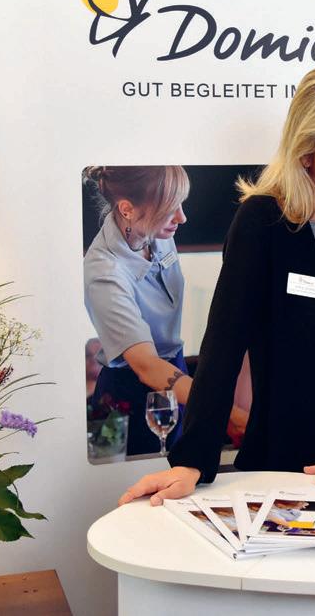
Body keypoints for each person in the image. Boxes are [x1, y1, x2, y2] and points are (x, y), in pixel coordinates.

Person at [119, 64, 315, 506]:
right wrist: (192, 459)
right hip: (285, 471)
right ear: (306, 156)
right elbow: (223, 348)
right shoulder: (264, 224)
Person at [82, 166, 245, 456]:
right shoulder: (104, 272)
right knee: (131, 475)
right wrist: (225, 411)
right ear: (127, 209)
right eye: (170, 209)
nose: (182, 217)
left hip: (175, 375)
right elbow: (146, 366)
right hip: (128, 391)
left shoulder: (154, 229)